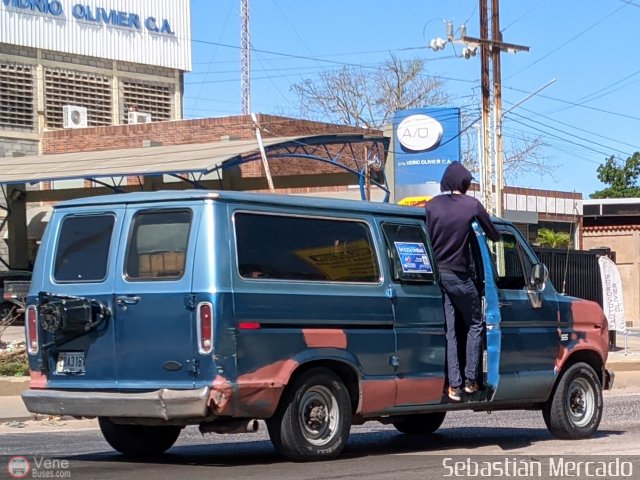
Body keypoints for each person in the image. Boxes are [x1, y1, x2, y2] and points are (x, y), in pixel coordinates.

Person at [425, 161, 500, 402]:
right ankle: (471, 381)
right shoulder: (471, 205)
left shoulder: (431, 205)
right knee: (476, 323)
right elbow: (493, 234)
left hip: (438, 276)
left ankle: (453, 385)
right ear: (465, 184)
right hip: (459, 276)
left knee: (450, 330)